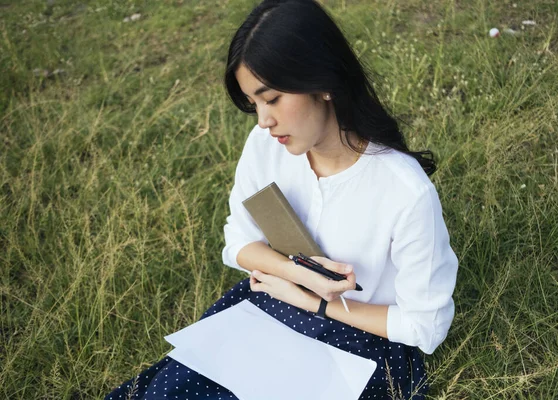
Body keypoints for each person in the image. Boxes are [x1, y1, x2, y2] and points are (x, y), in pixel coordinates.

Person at [105, 0, 458, 399]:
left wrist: (317, 305)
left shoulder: (404, 192)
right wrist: (298, 277)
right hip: (275, 304)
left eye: (271, 99)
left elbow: (425, 327)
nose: (263, 120)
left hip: (359, 340)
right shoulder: (266, 146)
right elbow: (238, 242)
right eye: (253, 103)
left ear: (323, 83)